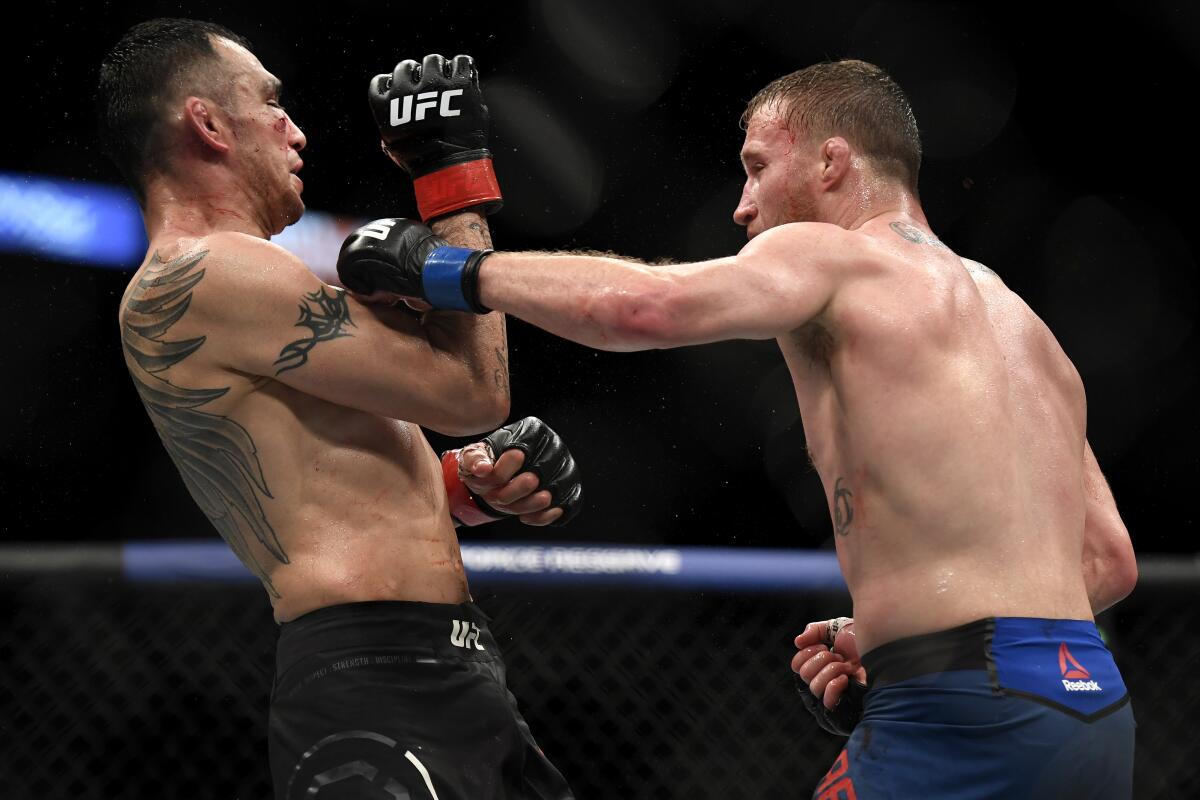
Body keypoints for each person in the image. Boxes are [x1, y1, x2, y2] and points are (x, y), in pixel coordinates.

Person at [337, 59, 1139, 798]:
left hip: (963, 708)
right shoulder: (1021, 324)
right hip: (1092, 707)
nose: (742, 204)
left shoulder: (835, 257)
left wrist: (442, 270)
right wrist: (895, 637)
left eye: (758, 167)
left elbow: (646, 306)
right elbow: (1105, 560)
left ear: (832, 162)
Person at [98, 20, 580, 800]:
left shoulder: (219, 284)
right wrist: (452, 175)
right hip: (377, 676)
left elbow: (310, 486)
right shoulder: (211, 271)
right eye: (271, 104)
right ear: (208, 124)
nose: (297, 130)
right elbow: (474, 392)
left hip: (437, 666)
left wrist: (462, 485)